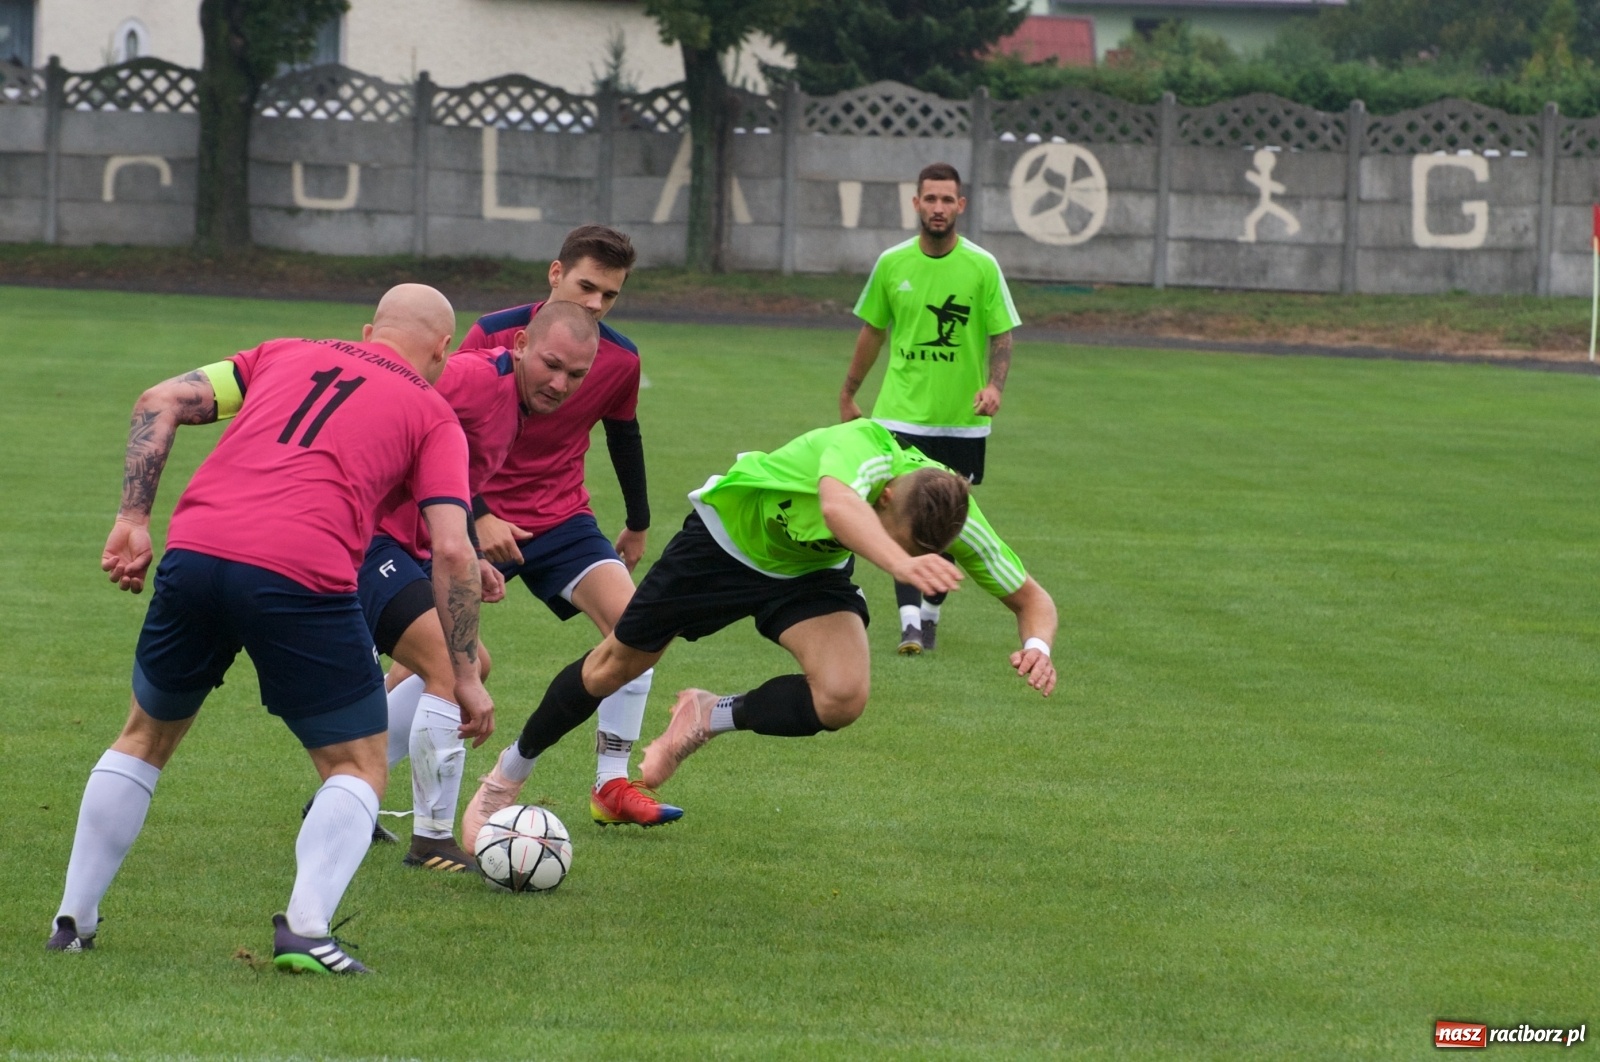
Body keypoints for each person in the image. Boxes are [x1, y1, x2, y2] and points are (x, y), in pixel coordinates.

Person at [49, 285, 491, 975]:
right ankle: (307, 932)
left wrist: (134, 519)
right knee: (356, 765)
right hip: (300, 571)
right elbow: (455, 551)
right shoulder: (434, 413)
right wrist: (463, 674)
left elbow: (158, 399)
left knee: (144, 736)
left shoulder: (282, 353)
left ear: (369, 328)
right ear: (442, 350)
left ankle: (73, 920)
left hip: (196, 551)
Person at [470, 417, 1056, 827]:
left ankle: (706, 715)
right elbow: (838, 507)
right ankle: (506, 776)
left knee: (843, 697)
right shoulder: (863, 449)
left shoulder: (956, 516)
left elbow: (1033, 598)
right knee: (613, 668)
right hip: (726, 544)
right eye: (895, 538)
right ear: (887, 496)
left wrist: (1037, 645)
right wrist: (901, 561)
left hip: (808, 570)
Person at [458, 224, 684, 842]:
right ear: (556, 274)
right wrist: (476, 512)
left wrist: (637, 522)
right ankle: (354, 785)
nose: (595, 304)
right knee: (436, 663)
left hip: (560, 519)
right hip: (474, 516)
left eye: (609, 295)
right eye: (586, 286)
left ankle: (611, 782)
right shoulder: (493, 331)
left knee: (640, 629)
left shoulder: (620, 358)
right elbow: (440, 427)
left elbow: (623, 434)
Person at [361, 301, 598, 873]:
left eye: (576, 376)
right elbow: (396, 390)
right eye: (551, 365)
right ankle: (433, 840)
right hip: (363, 539)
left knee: (474, 664)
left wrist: (467, 543)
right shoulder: (474, 378)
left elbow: (447, 476)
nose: (560, 384)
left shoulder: (516, 402)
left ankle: (351, 791)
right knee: (451, 668)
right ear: (519, 347)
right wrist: (479, 522)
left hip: (405, 543)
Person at [839, 161, 1022, 656]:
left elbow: (1001, 332)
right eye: (930, 199)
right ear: (916, 203)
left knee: (945, 524)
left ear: (960, 206)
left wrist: (994, 386)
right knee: (902, 515)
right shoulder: (892, 263)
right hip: (900, 416)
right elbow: (873, 331)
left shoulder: (982, 266)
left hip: (961, 425)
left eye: (948, 200)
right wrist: (850, 391)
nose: (938, 208)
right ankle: (910, 624)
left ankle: (931, 615)